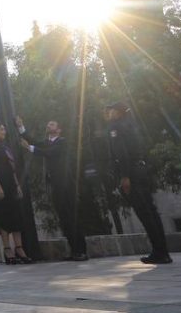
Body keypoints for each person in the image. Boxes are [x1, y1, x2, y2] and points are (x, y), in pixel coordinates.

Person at [103, 102, 171, 264]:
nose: (107, 113)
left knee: (144, 212)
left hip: (131, 173)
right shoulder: (131, 125)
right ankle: (162, 251)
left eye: (109, 110)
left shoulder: (115, 128)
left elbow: (121, 153)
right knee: (151, 211)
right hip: (141, 169)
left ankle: (159, 252)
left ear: (117, 112)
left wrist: (125, 176)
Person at [19, 116, 88, 261]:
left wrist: (29, 148)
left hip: (66, 184)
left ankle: (81, 251)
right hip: (55, 185)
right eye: (48, 124)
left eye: (52, 124)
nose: (48, 126)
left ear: (58, 129)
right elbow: (35, 142)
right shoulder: (46, 143)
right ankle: (74, 250)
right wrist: (21, 128)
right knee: (63, 218)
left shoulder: (62, 142)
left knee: (72, 216)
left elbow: (49, 152)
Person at [0, 121, 30, 264]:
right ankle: (7, 249)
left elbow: (12, 168)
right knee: (3, 216)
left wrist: (17, 185)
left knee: (16, 215)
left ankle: (19, 248)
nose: (4, 131)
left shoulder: (6, 147)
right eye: (2, 129)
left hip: (10, 183)